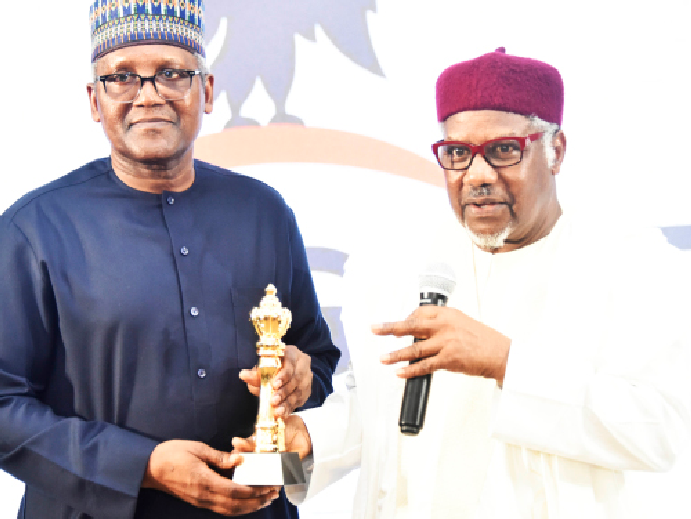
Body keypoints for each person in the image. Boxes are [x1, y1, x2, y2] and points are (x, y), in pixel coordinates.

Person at [234, 48, 691, 518]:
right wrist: (307, 442)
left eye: (504, 150)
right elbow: (382, 400)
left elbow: (660, 430)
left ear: (555, 151)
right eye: (457, 153)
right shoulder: (401, 259)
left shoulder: (628, 262)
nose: (477, 175)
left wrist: (503, 362)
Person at [0, 0, 339, 518]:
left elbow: (316, 356)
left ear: (206, 91)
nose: (149, 94)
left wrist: (300, 375)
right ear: (95, 100)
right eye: (121, 77)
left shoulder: (263, 212)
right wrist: (143, 465)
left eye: (171, 73)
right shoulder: (34, 229)